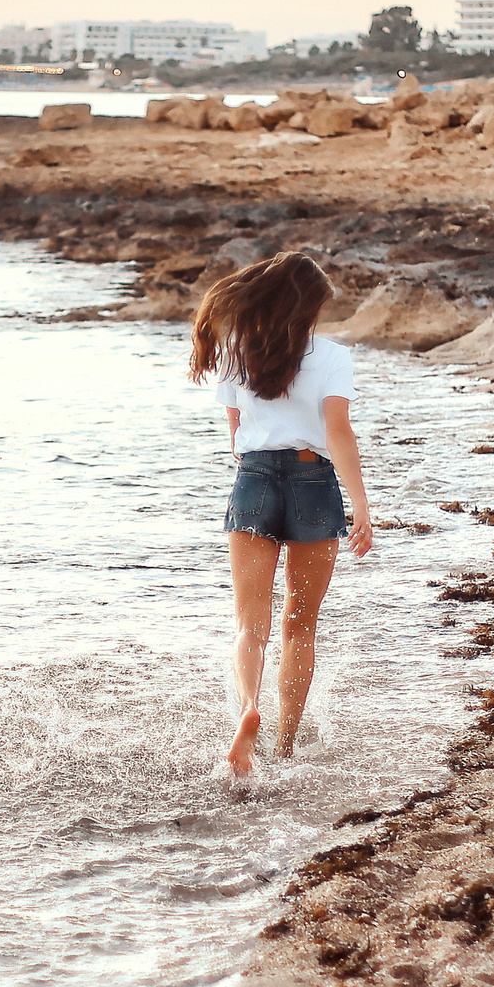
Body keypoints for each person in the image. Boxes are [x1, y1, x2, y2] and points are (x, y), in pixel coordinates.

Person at [188, 251, 373, 779]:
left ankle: (249, 709)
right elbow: (338, 431)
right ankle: (285, 747)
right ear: (309, 307)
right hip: (313, 482)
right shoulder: (333, 357)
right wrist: (360, 505)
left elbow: (235, 438)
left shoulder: (236, 352)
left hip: (254, 480)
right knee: (300, 625)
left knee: (251, 625)